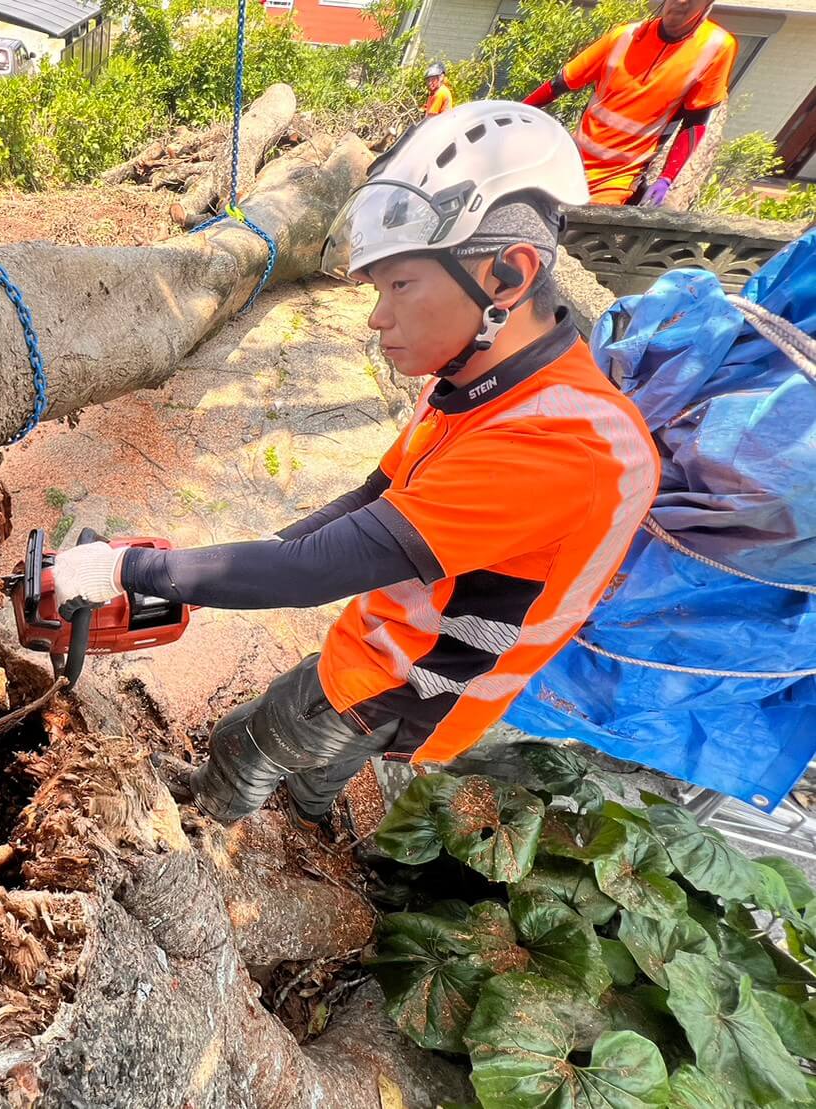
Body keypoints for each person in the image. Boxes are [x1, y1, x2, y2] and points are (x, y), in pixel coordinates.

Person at [50, 103, 660, 831]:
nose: (376, 316)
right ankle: (313, 817)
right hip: (399, 643)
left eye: (399, 285)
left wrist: (126, 571)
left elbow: (314, 574)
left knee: (247, 737)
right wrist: (284, 547)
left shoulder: (559, 446)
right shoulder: (488, 384)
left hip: (415, 678)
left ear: (508, 273)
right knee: (327, 763)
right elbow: (377, 492)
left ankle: (211, 826)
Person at [524, 0, 736, 206]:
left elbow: (696, 120)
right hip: (572, 160)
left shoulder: (715, 47)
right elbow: (559, 84)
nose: (680, 2)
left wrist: (667, 178)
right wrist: (508, 114)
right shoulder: (624, 37)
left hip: (619, 179)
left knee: (584, 233)